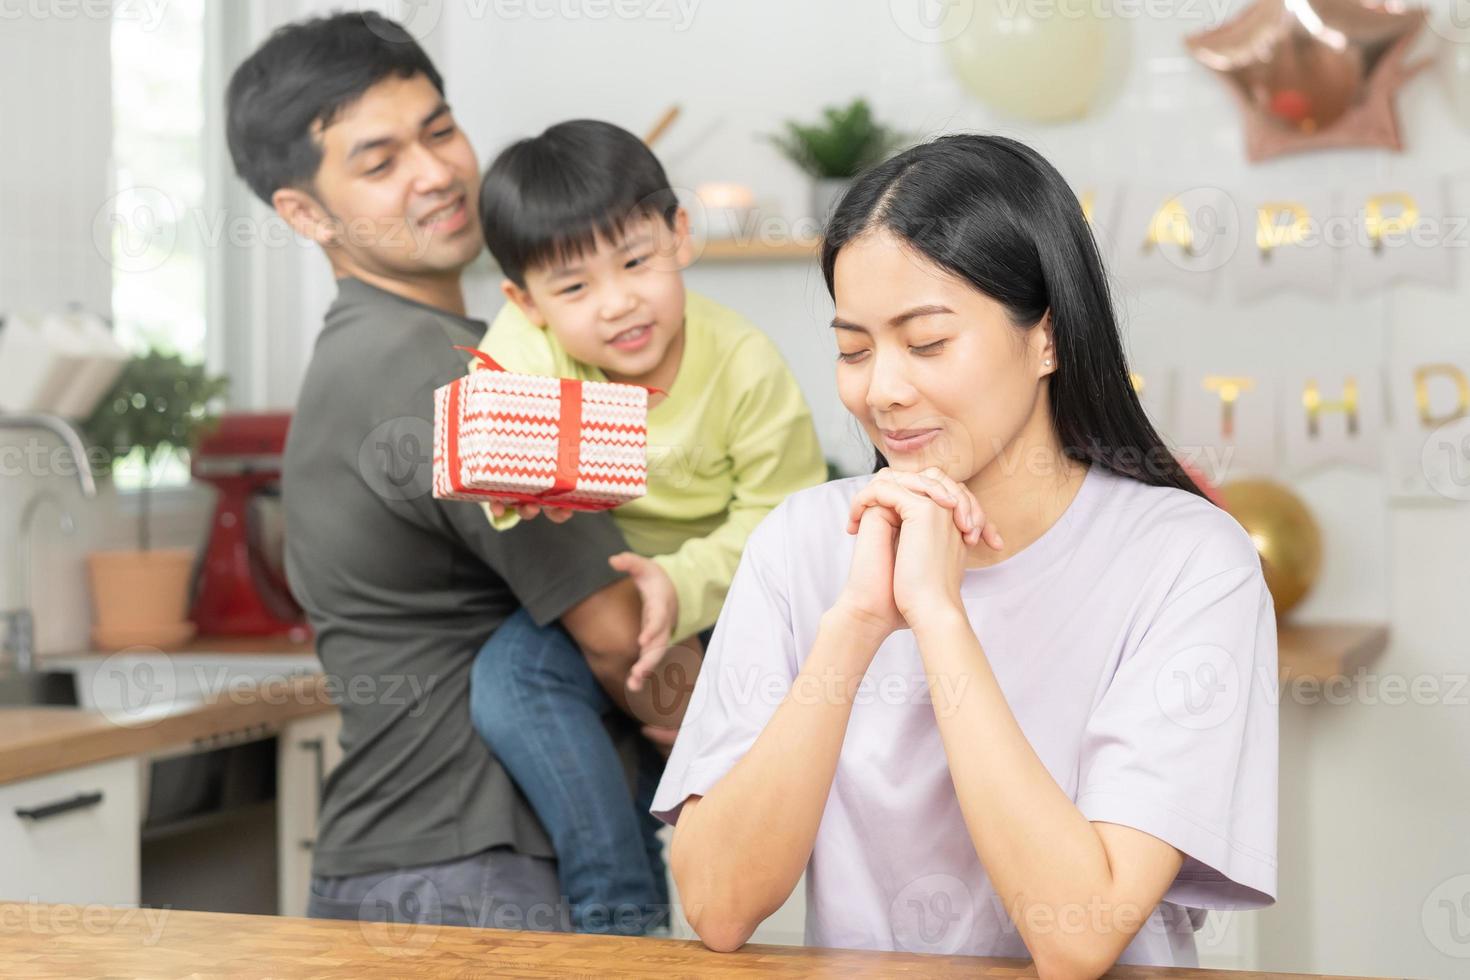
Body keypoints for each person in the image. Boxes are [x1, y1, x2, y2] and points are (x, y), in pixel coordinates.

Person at [652, 134, 1278, 972]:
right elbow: (718, 907)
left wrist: (940, 617)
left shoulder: (1190, 562)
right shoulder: (803, 545)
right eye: (853, 349)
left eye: (928, 342)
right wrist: (857, 624)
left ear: (1046, 338)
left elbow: (1078, 934)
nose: (882, 390)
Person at [225, 12, 655, 930]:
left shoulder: (366, 351)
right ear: (304, 213)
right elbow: (623, 636)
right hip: (479, 875)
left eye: (441, 130)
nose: (437, 173)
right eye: (379, 163)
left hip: (391, 868)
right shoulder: (450, 370)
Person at [466, 119, 828, 934]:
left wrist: (684, 583)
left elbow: (787, 522)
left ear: (680, 235)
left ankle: (648, 894)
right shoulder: (529, 345)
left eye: (635, 261)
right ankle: (621, 911)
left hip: (729, 608)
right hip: (604, 601)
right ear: (525, 302)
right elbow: (496, 429)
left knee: (708, 783)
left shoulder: (743, 362)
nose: (618, 301)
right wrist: (515, 486)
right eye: (574, 288)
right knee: (510, 681)